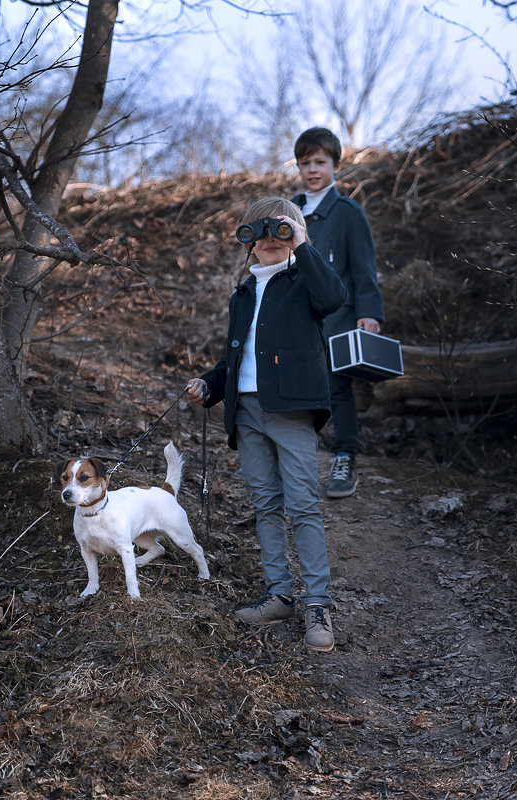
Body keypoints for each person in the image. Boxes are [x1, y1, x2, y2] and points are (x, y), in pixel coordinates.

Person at [185, 196, 348, 653]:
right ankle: (279, 593)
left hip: (291, 408)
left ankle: (317, 603)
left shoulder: (304, 282)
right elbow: (235, 357)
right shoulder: (244, 294)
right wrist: (210, 383)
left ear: (297, 237)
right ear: (247, 243)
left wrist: (301, 246)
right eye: (258, 233)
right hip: (248, 412)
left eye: (280, 231)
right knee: (267, 505)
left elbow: (335, 298)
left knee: (303, 507)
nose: (269, 241)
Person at [291, 126, 385, 499]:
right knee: (297, 388)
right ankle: (298, 465)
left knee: (337, 388)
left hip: (339, 317)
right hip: (297, 318)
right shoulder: (289, 210)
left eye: (320, 162)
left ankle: (345, 457)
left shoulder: (347, 211)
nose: (312, 169)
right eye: (305, 163)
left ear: (336, 165)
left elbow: (364, 267)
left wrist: (370, 313)